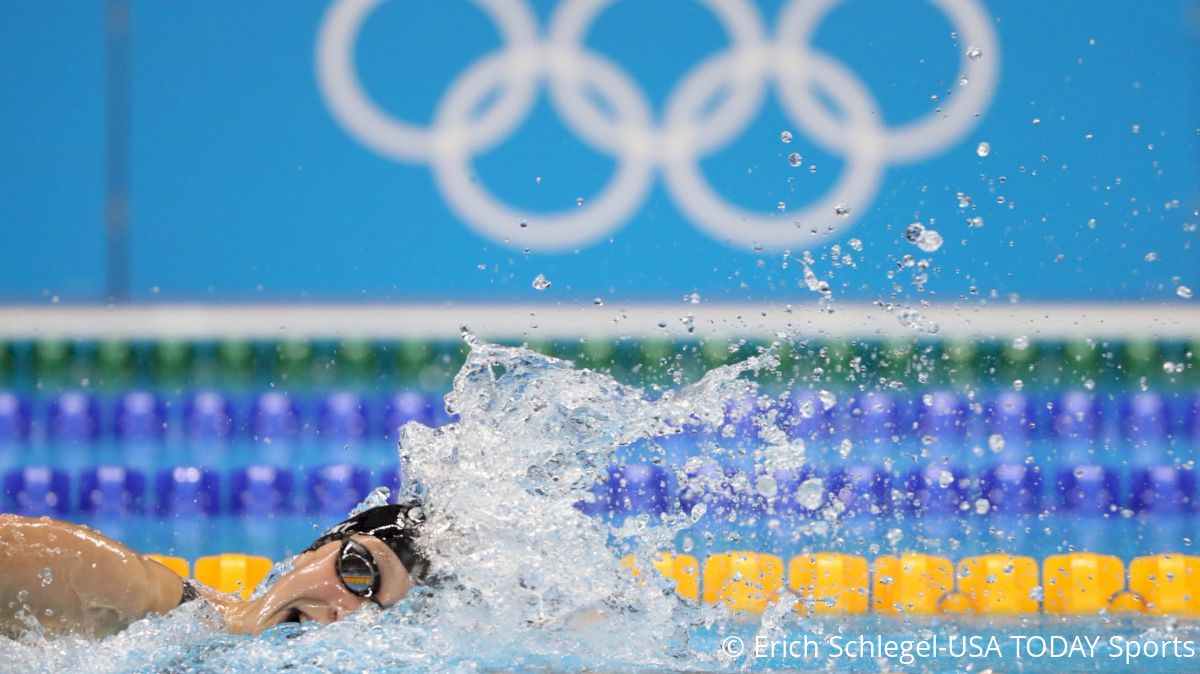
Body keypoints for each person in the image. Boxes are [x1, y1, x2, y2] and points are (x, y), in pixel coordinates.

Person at [0, 501, 429, 639]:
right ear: (311, 553)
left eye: (379, 614)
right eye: (358, 574)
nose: (346, 612)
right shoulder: (152, 606)